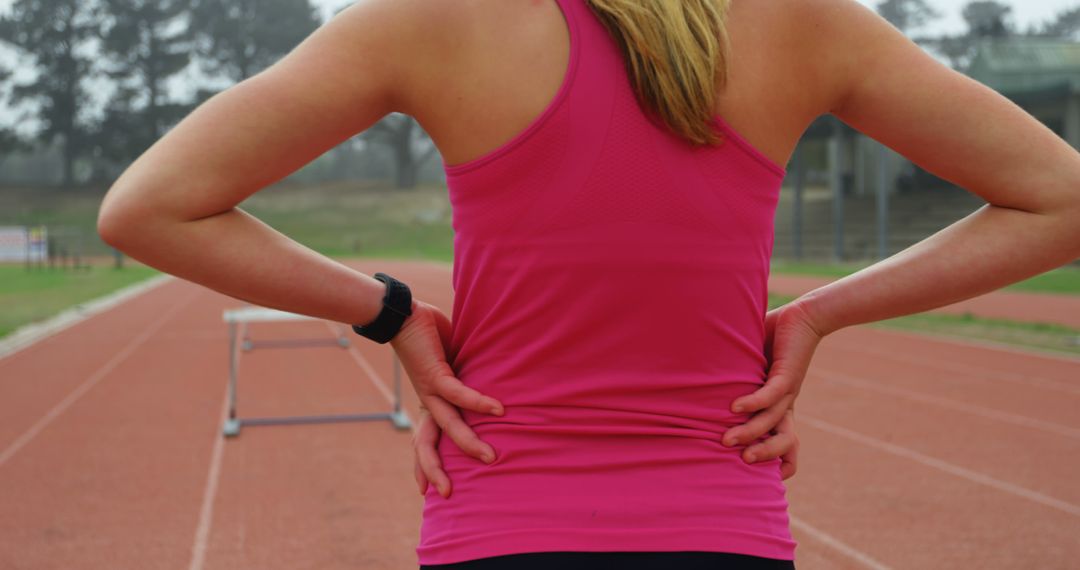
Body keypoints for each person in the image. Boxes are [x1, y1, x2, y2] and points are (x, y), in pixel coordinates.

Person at [95, 0, 1080, 568]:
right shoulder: (802, 21)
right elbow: (1061, 201)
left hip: (498, 524)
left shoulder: (435, 20)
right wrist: (818, 315)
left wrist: (390, 312)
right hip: (723, 527)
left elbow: (147, 208)